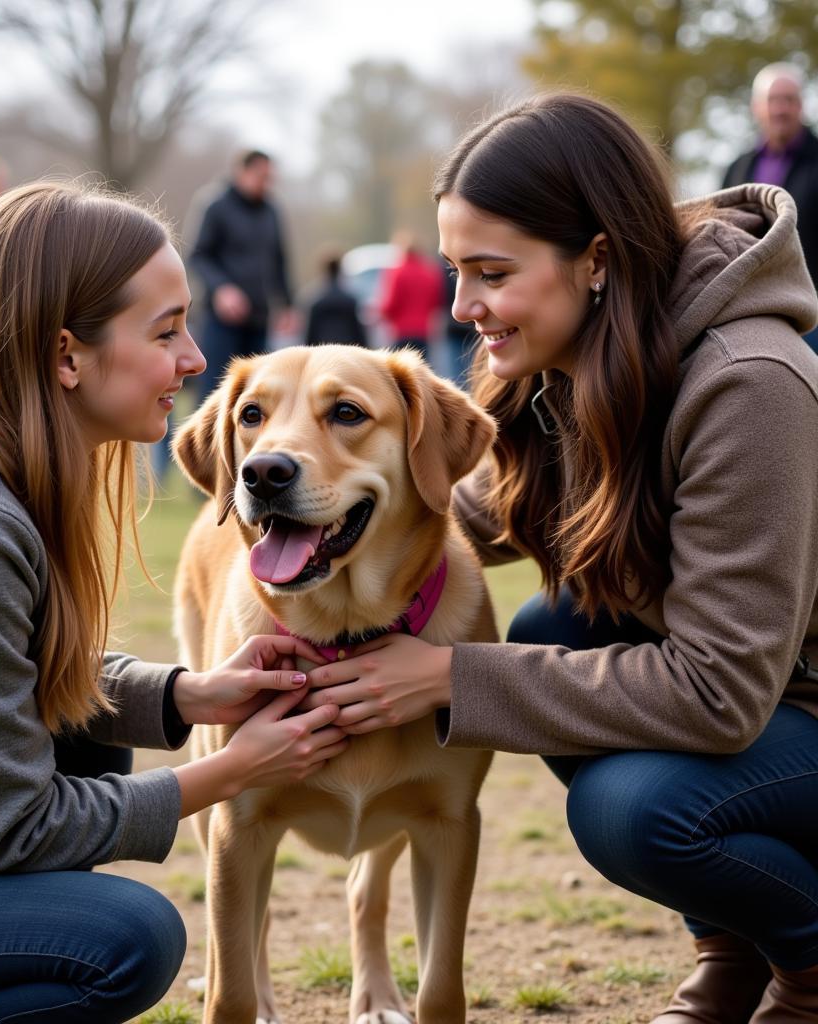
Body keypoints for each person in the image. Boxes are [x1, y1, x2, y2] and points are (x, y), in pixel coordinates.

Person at [302, 93, 818, 1023]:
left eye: (491, 272)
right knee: (552, 624)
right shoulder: (566, 360)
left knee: (637, 810)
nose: (464, 307)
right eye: (458, 271)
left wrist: (453, 676)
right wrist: (310, 524)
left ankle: (813, 959)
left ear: (596, 259)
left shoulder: (749, 381)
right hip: (768, 697)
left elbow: (722, 689)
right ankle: (733, 955)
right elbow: (464, 512)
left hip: (790, 695)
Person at [0, 181, 348, 1022]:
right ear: (65, 355)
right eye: (166, 333)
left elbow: (4, 668)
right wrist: (231, 768)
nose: (195, 360)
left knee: (89, 739)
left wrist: (183, 695)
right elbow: (19, 827)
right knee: (125, 939)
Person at [723, 62, 818, 353]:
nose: (780, 109)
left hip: (811, 312)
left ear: (801, 106)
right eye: (773, 100)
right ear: (757, 107)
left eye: (788, 100)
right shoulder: (737, 168)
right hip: (752, 311)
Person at [188, 148, 295, 400]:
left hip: (259, 317)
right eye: (260, 176)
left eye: (269, 178)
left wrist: (288, 304)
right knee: (216, 389)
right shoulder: (216, 206)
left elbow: (280, 260)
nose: (265, 184)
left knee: (255, 391)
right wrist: (222, 288)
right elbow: (198, 256)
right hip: (222, 320)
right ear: (241, 172)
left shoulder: (271, 211)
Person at [376, 230, 445, 355]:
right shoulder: (429, 272)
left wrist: (381, 313)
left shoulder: (397, 273)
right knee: (421, 369)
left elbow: (391, 304)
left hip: (401, 331)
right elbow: (436, 301)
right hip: (423, 330)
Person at [302, 246, 367, 347]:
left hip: (323, 351)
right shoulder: (350, 301)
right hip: (347, 350)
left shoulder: (315, 302)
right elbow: (358, 333)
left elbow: (310, 335)